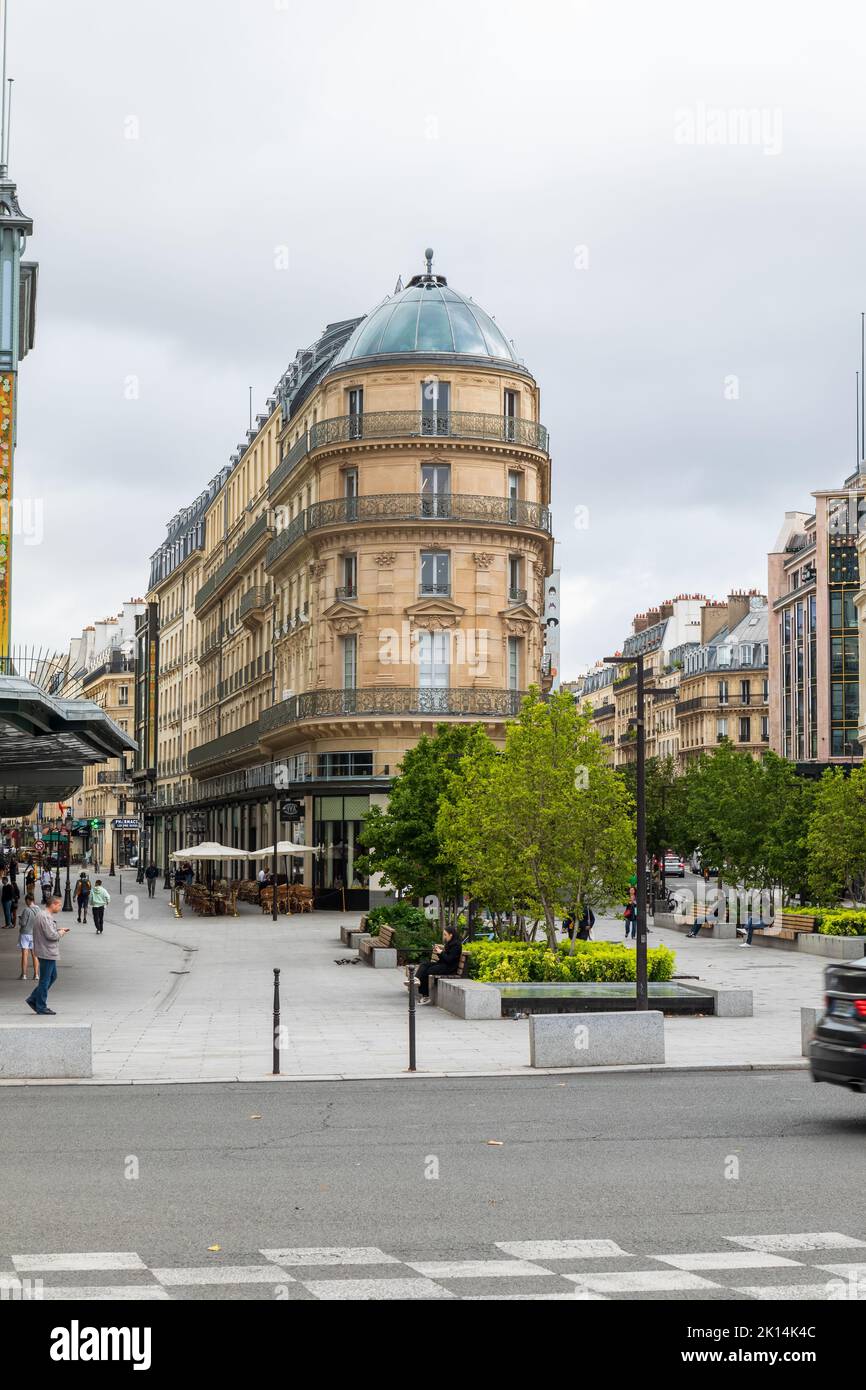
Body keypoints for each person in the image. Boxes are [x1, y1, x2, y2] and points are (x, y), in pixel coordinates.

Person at [25, 896, 69, 1015]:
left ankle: (33, 999)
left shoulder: (43, 915)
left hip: (46, 951)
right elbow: (51, 935)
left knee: (52, 976)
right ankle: (41, 1006)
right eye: (59, 905)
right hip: (46, 952)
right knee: (45, 980)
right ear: (53, 904)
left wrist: (58, 929)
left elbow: (47, 931)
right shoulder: (44, 916)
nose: (60, 907)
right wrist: (60, 933)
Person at [415, 925, 463, 1002]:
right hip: (443, 964)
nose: (444, 936)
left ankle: (426, 995)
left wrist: (441, 953)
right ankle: (416, 979)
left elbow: (449, 960)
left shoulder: (456, 945)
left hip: (449, 968)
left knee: (429, 971)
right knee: (424, 964)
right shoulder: (449, 943)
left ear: (451, 935)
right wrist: (439, 952)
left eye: (445, 934)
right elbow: (444, 958)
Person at [17, 893, 39, 981]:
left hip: (25, 934)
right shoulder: (39, 910)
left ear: (28, 900)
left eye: (26, 901)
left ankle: (24, 975)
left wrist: (20, 919)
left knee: (25, 955)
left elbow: (23, 923)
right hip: (34, 934)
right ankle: (36, 975)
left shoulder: (26, 910)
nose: (26, 903)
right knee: (35, 955)